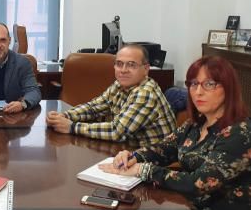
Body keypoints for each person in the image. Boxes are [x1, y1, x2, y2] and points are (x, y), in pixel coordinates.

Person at [101, 56, 251, 210]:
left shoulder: (239, 134)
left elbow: (197, 184)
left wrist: (144, 170)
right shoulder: (196, 124)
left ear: (228, 88)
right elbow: (164, 149)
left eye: (209, 84)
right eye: (194, 84)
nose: (198, 92)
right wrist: (134, 156)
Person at [46, 44, 176, 147]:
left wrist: (72, 127)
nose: (123, 70)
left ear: (146, 69)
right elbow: (94, 108)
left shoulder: (146, 93)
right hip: (128, 152)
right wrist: (64, 116)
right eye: (119, 64)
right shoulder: (120, 85)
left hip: (154, 163)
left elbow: (117, 131)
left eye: (131, 65)